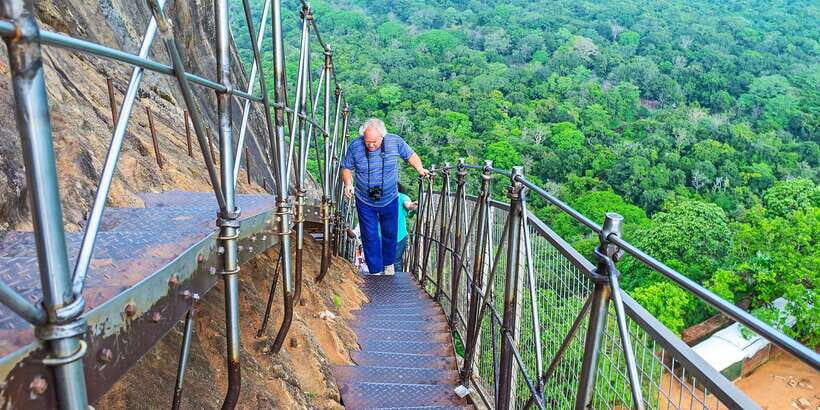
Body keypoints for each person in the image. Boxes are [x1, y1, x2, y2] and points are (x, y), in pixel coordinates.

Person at [340, 118, 428, 275]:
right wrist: (348, 183)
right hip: (364, 199)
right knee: (369, 234)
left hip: (390, 198)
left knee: (390, 232)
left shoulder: (394, 141)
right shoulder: (355, 145)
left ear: (382, 136)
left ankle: (388, 265)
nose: (371, 145)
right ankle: (374, 271)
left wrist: (420, 168)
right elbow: (346, 167)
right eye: (367, 142)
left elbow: (410, 155)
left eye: (374, 141)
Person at [395, 183, 417, 272]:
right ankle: (382, 283)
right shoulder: (379, 197)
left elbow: (408, 205)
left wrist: (413, 205)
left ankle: (396, 284)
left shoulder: (402, 197)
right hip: (381, 236)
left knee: (395, 262)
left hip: (398, 236)